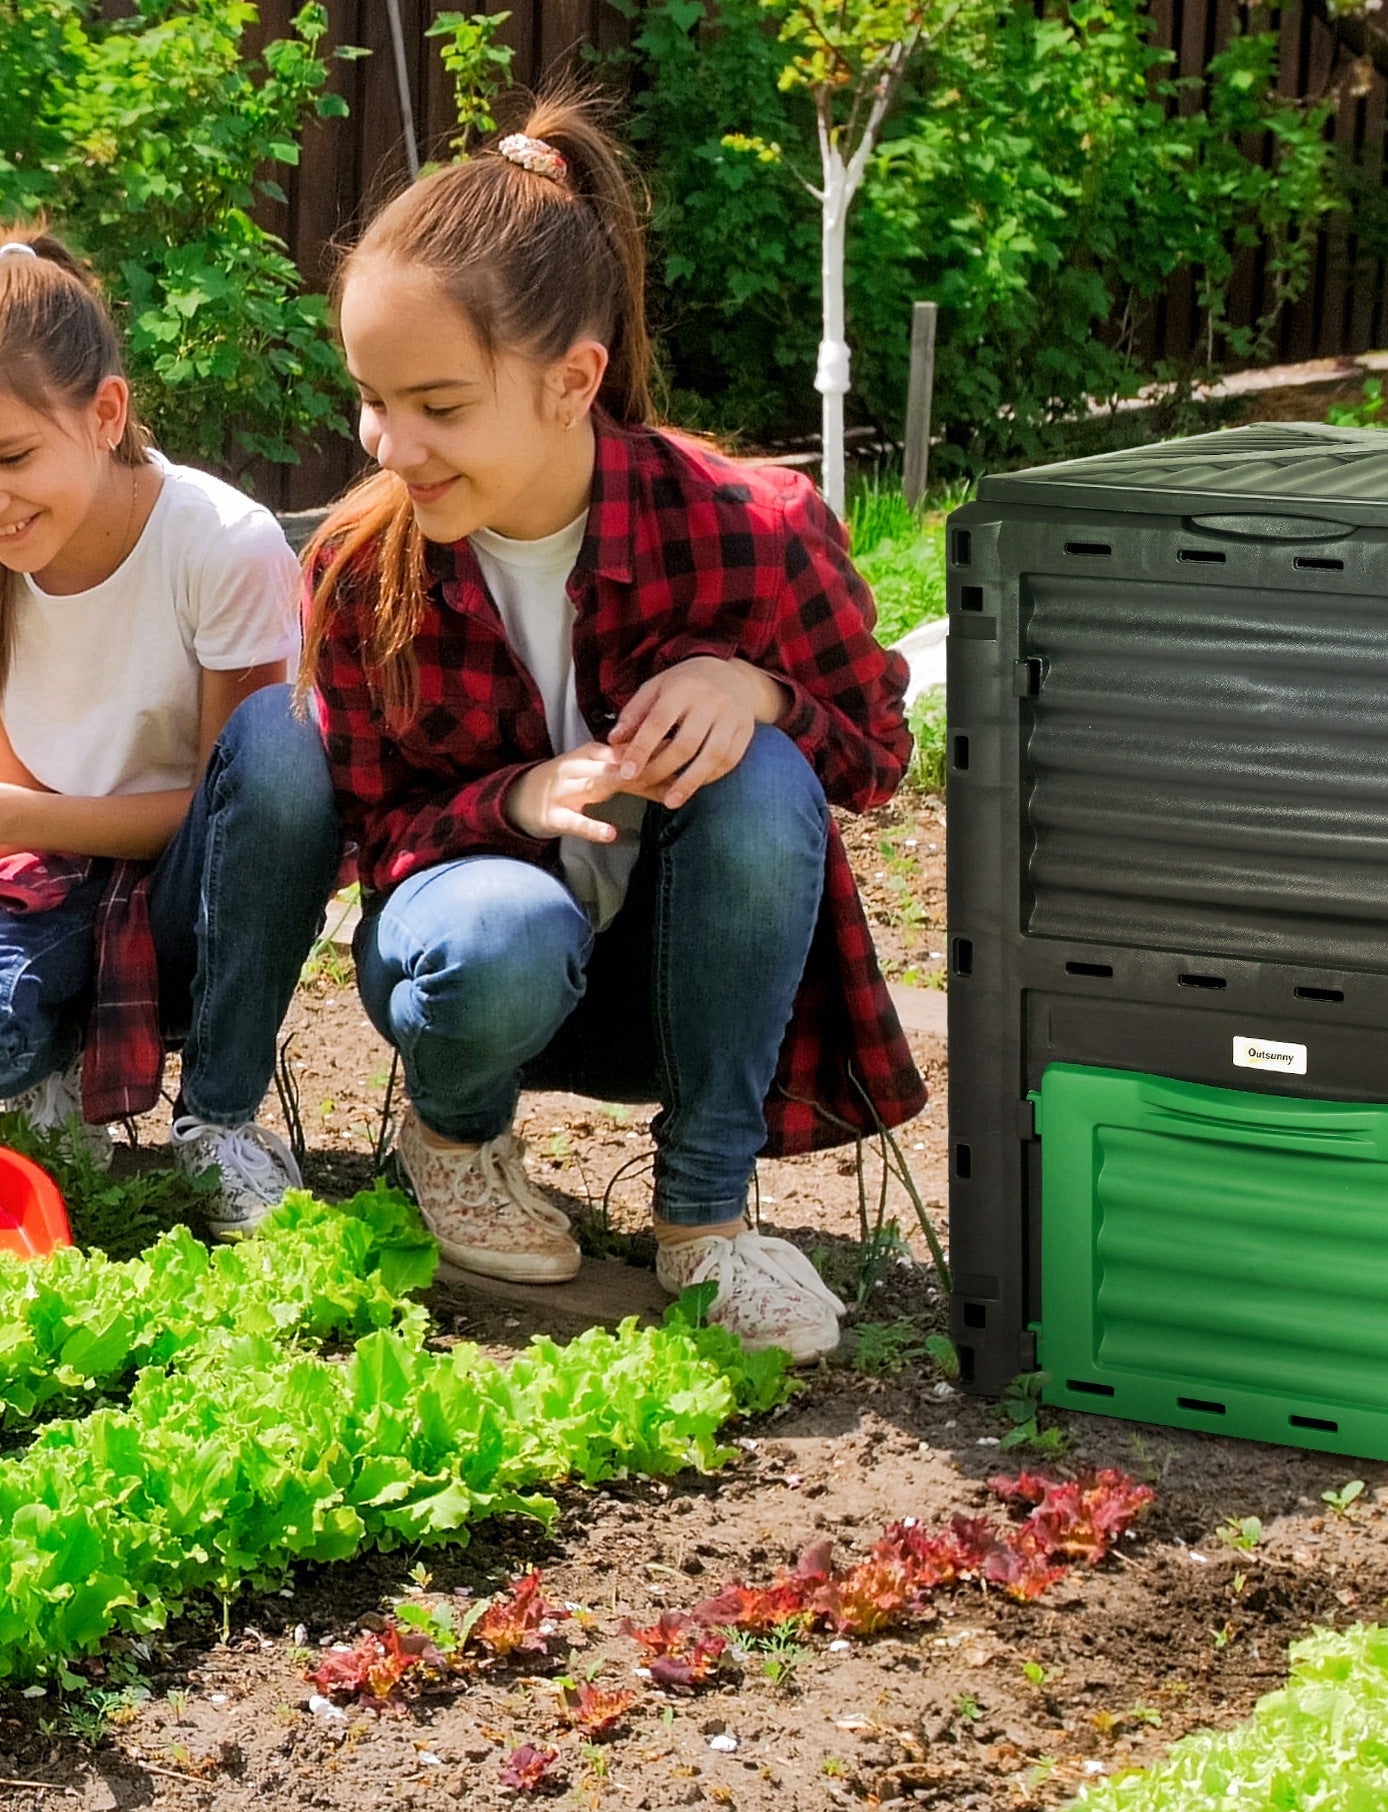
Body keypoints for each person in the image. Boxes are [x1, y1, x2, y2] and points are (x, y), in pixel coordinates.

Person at [298, 96, 925, 1358]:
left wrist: (759, 694)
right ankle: (457, 1142)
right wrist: (517, 801)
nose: (391, 445)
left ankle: (705, 1222)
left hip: (680, 994)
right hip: (480, 979)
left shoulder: (749, 526)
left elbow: (873, 751)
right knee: (499, 925)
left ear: (572, 378)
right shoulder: (363, 567)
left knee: (762, 781)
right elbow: (370, 834)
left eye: (438, 405)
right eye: (371, 399)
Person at [0, 229, 340, 1235]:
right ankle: (43, 1068)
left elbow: (246, 806)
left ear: (105, 413)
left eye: (13, 455)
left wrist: (23, 814)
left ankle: (219, 1117)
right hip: (44, 880)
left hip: (200, 894)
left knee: (288, 746)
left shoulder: (217, 543)